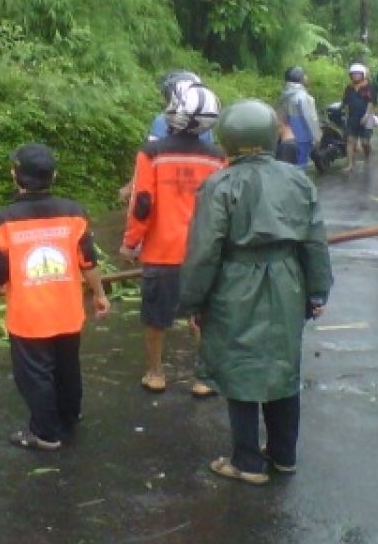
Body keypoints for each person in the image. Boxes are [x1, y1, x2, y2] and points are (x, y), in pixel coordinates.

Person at [180, 100, 333, 484]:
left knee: (240, 367)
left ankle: (247, 461)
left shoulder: (220, 184)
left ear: (227, 140)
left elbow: (204, 250)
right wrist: (317, 291)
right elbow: (315, 240)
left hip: (235, 279)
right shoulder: (297, 179)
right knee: (283, 364)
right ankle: (283, 455)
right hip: (287, 277)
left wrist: (192, 299)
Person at [0, 144, 111, 450]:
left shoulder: (2, 221)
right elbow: (88, 261)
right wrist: (100, 295)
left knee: (35, 375)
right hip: (67, 310)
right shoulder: (73, 213)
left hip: (29, 316)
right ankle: (69, 416)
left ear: (15, 176)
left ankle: (45, 434)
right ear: (54, 175)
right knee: (67, 367)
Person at [120, 82, 225, 395]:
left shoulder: (152, 153)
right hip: (204, 252)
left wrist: (130, 241)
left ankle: (155, 373)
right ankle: (204, 377)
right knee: (203, 314)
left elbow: (142, 203)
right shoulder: (218, 158)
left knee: (156, 317)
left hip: (161, 251)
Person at [118, 70, 209, 203]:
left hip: (165, 189)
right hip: (197, 191)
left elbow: (150, 159)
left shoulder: (163, 121)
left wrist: (129, 187)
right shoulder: (205, 125)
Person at [275, 67, 322, 169]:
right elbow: (311, 118)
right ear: (300, 78)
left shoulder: (283, 96)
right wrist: (317, 137)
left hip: (285, 136)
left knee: (288, 164)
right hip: (302, 136)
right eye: (304, 75)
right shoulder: (304, 97)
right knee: (301, 163)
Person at [340, 64, 374, 173]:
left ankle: (367, 156)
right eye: (353, 74)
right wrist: (346, 116)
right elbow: (345, 103)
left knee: (365, 142)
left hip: (365, 116)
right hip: (352, 116)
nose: (356, 76)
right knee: (350, 141)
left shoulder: (369, 86)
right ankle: (350, 164)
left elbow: (371, 102)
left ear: (363, 74)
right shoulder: (349, 88)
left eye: (358, 74)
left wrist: (366, 115)